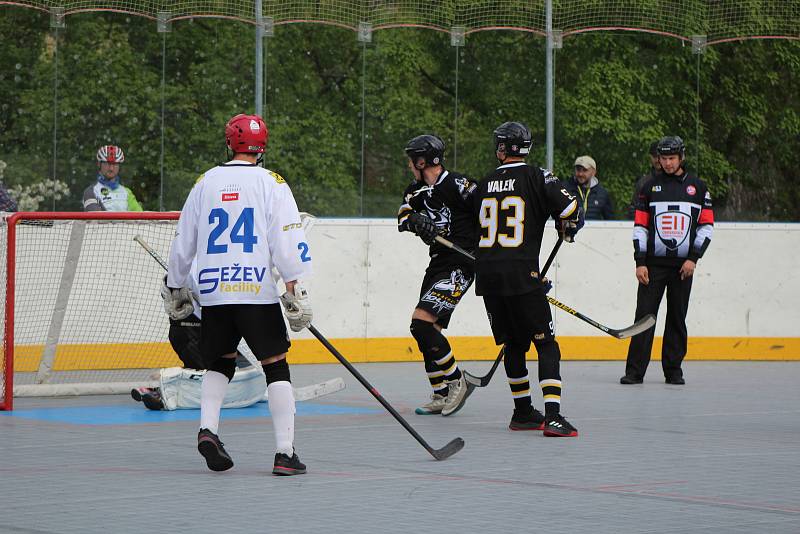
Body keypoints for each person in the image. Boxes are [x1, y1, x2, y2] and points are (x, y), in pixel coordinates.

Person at [165, 113, 312, 476]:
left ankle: (208, 429)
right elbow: (288, 239)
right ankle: (284, 452)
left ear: (229, 142)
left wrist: (175, 283)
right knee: (275, 365)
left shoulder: (206, 182)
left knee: (220, 362)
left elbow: (184, 239)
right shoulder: (272, 182)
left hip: (214, 292)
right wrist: (295, 286)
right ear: (262, 148)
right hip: (255, 290)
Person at [473, 121, 583, 437]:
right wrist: (570, 225)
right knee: (546, 345)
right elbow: (570, 207)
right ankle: (553, 417)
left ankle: (523, 412)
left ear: (503, 148)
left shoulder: (485, 182)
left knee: (514, 344)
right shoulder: (537, 176)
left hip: (489, 277)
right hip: (522, 273)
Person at [621, 136, 713, 385]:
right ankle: (634, 372)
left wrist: (693, 258)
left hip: (684, 267)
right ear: (658, 159)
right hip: (652, 265)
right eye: (664, 158)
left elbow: (706, 227)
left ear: (681, 157)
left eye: (672, 158)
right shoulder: (648, 186)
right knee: (644, 317)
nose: (668, 163)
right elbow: (640, 227)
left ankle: (673, 371)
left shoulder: (699, 187)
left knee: (676, 317)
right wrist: (640, 261)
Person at [397, 134, 477, 417]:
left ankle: (457, 380)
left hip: (462, 264)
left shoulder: (459, 185)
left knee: (421, 324)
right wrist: (415, 221)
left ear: (421, 161)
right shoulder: (415, 191)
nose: (409, 166)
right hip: (438, 262)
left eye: (411, 160)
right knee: (427, 331)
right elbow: (403, 217)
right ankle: (441, 393)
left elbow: (488, 215)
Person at [83, 145, 143, 211]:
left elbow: (140, 216)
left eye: (115, 164)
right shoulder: (91, 191)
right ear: (99, 164)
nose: (111, 168)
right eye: (107, 164)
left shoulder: (126, 192)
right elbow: (95, 218)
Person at [564, 155, 614, 220]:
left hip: (593, 230)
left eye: (585, 170)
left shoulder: (602, 194)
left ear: (593, 172)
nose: (580, 174)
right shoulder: (564, 189)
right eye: (578, 170)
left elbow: (610, 221)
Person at [627, 141, 661, 219]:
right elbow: (633, 210)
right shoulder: (643, 182)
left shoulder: (674, 181)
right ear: (650, 157)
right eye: (654, 156)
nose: (657, 160)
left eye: (660, 156)